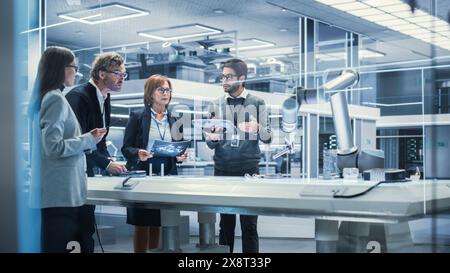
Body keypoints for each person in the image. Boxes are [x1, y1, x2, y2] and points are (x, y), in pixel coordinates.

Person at [28, 46, 106, 253]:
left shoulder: (43, 98)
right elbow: (53, 147)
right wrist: (90, 138)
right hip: (60, 194)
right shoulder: (55, 99)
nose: (77, 73)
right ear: (61, 68)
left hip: (52, 193)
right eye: (74, 67)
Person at [205, 59, 272, 253]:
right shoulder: (215, 104)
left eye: (228, 77)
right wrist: (213, 138)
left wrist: (258, 128)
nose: (223, 80)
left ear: (241, 79)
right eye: (222, 76)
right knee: (225, 225)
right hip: (222, 170)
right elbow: (209, 142)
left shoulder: (257, 102)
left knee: (249, 225)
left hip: (249, 170)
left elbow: (268, 138)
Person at [65, 52, 128, 252]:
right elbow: (78, 140)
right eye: (117, 73)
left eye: (124, 74)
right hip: (71, 174)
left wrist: (108, 162)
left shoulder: (104, 98)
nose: (122, 78)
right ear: (101, 73)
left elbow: (99, 141)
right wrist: (106, 164)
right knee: (76, 230)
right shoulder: (79, 96)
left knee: (86, 229)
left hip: (88, 172)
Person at [121, 74, 187, 253]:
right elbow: (126, 148)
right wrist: (137, 153)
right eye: (161, 89)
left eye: (168, 90)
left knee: (159, 221)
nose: (166, 93)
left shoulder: (175, 119)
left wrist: (180, 156)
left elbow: (178, 147)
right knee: (142, 223)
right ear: (151, 93)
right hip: (143, 175)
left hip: (167, 177)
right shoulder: (137, 116)